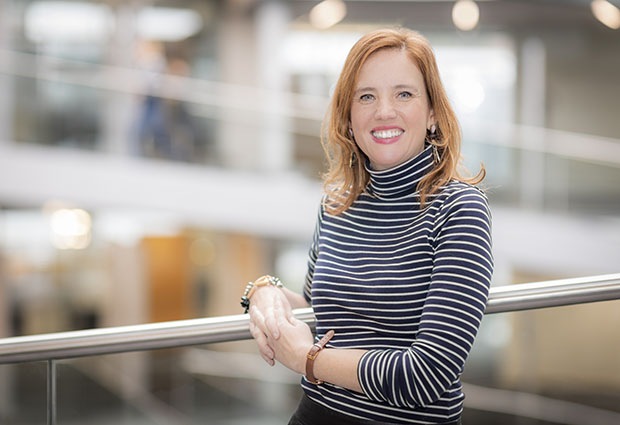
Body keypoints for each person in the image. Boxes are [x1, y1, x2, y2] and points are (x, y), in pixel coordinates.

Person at [244, 27, 493, 425]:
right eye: (366, 96)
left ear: (432, 113)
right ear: (349, 116)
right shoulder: (336, 205)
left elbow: (426, 375)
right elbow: (321, 311)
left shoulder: (459, 208)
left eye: (404, 94)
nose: (384, 111)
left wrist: (308, 361)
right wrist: (262, 292)